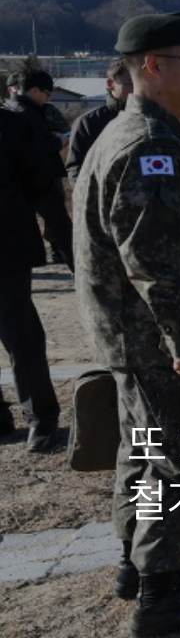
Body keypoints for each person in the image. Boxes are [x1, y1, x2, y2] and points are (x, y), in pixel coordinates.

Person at [73, 12, 180, 638]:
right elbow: (150, 260)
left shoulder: (139, 131)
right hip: (158, 340)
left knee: (142, 452)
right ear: (153, 66)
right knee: (179, 460)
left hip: (136, 336)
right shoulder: (149, 145)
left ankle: (138, 561)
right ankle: (161, 594)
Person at [0, 94, 64, 452]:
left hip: (6, 244)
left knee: (19, 333)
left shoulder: (11, 123)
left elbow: (40, 179)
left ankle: (41, 416)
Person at [5, 69, 74, 271]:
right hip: (40, 181)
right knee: (63, 230)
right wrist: (60, 142)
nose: (47, 98)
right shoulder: (28, 113)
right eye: (46, 93)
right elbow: (38, 148)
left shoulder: (11, 109)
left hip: (23, 181)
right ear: (34, 90)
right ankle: (81, 271)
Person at [66, 58, 133, 185]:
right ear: (110, 84)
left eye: (139, 83)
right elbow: (76, 168)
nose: (136, 89)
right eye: (130, 84)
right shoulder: (89, 122)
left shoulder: (153, 118)